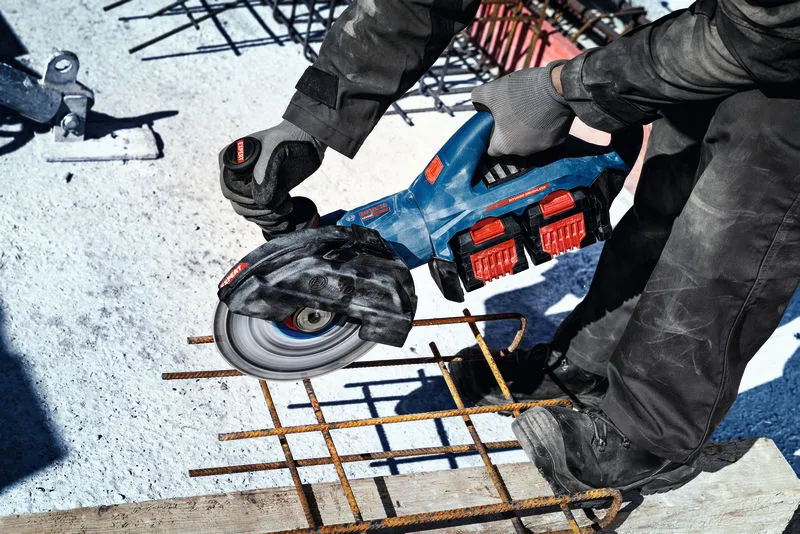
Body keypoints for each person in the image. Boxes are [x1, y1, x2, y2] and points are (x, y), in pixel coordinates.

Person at [219, 0, 800, 495]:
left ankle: (651, 434)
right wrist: (313, 120)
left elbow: (764, 33)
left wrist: (563, 87)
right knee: (670, 195)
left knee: (733, 213)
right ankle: (588, 366)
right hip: (733, 22)